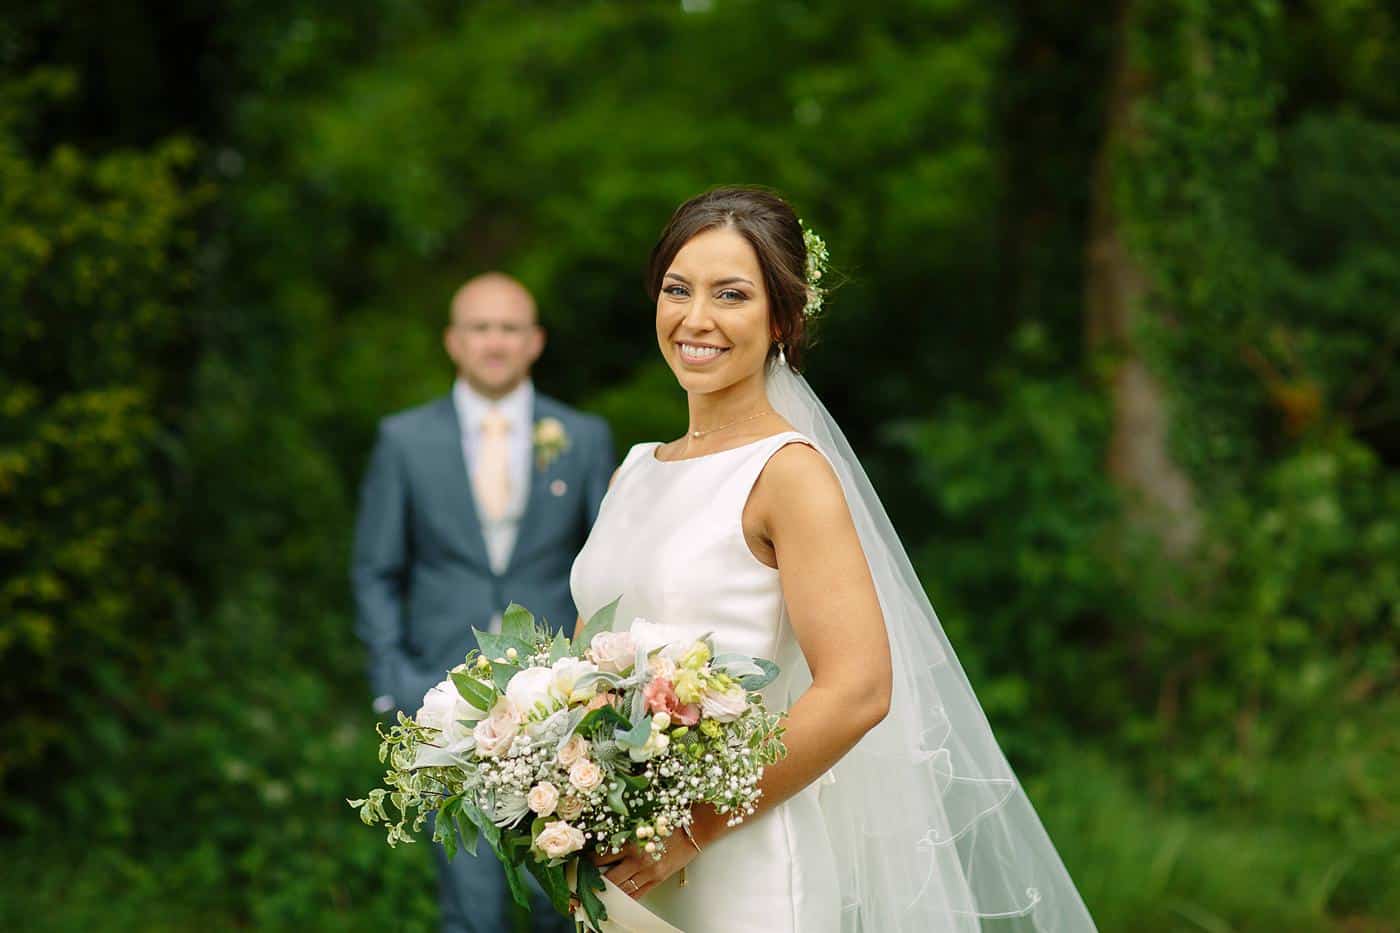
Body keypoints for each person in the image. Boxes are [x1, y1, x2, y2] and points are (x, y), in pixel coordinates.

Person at [569, 188, 1096, 931]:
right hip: (625, 867)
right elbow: (589, 670)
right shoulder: (632, 472)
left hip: (741, 865)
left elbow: (858, 688)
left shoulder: (788, 473)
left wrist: (692, 828)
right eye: (676, 289)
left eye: (732, 295)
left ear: (784, 318)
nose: (696, 318)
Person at [352, 272, 614, 933]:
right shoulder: (403, 440)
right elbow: (377, 569)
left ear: (534, 342)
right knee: (467, 907)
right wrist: (394, 681)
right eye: (479, 327)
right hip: (444, 701)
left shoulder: (582, 437)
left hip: (561, 704)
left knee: (568, 900)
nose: (494, 341)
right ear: (453, 340)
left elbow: (608, 568)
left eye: (509, 328)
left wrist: (598, 683)